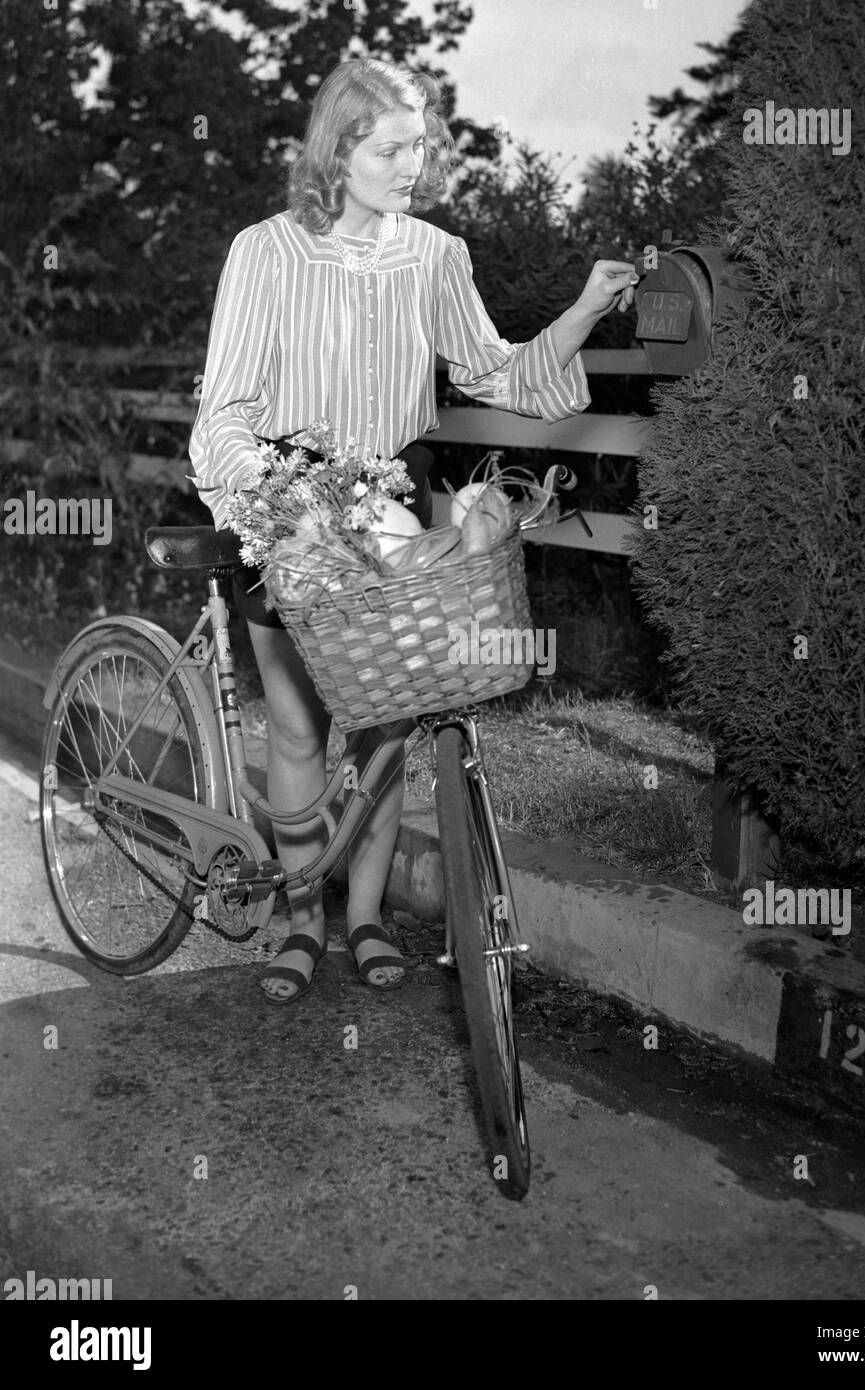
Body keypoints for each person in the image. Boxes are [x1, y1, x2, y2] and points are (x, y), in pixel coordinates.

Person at [189, 57, 639, 1005]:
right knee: (304, 725)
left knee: (387, 722)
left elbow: (504, 378)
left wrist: (589, 308)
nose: (413, 164)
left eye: (421, 145)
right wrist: (283, 506)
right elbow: (221, 414)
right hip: (291, 510)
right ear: (338, 148)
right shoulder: (264, 252)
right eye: (391, 147)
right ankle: (300, 918)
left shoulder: (436, 256)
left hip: (395, 509)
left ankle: (365, 917)